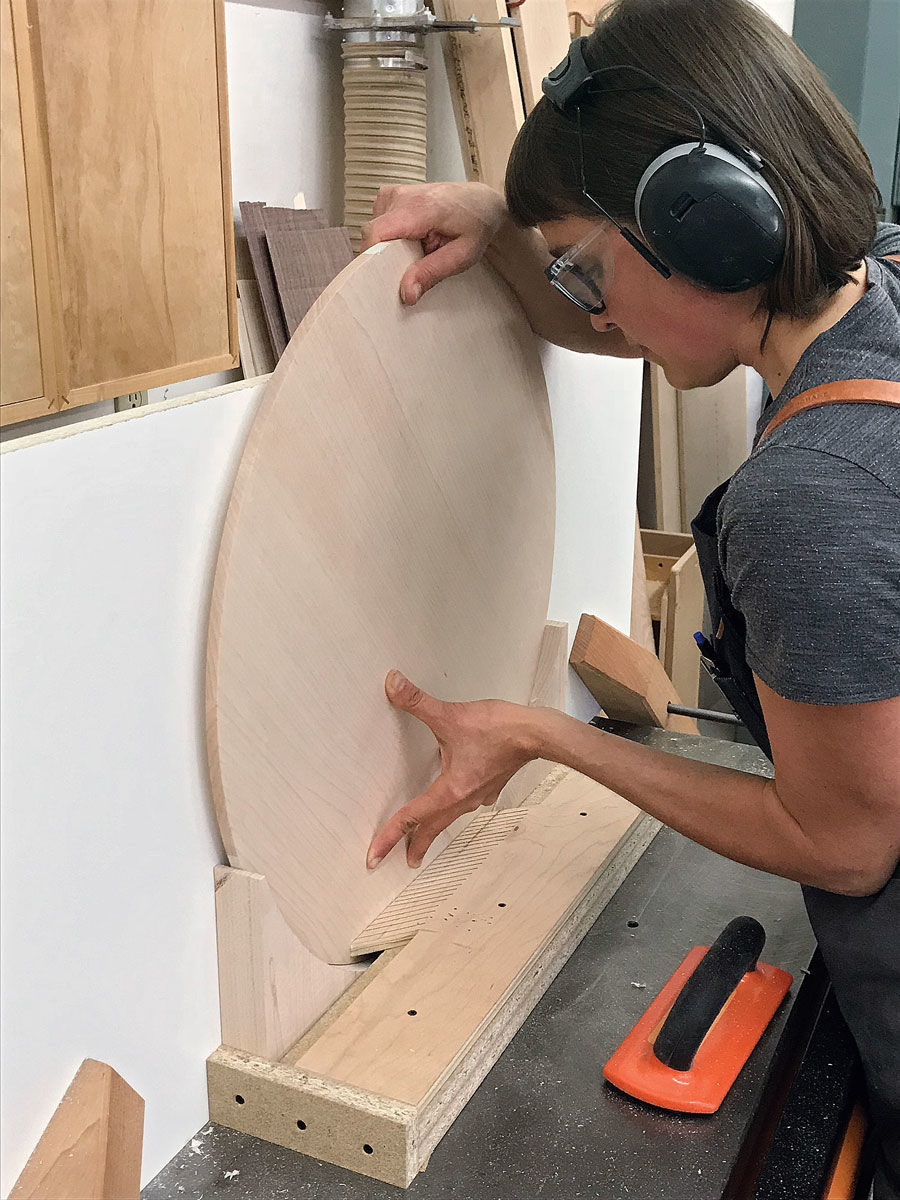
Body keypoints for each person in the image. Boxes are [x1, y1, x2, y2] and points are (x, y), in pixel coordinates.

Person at [360, 0, 900, 1193]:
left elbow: (847, 846)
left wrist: (547, 736)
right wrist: (516, 220)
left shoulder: (812, 498)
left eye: (592, 270)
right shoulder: (875, 300)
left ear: (714, 231)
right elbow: (658, 315)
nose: (591, 311)